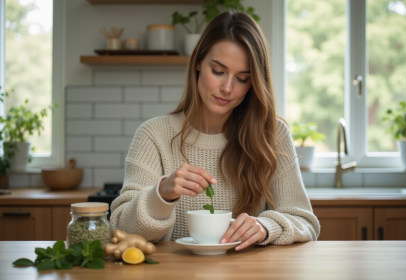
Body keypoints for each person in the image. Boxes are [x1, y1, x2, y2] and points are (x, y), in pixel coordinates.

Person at [110, 11, 320, 251]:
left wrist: (265, 227)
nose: (227, 88)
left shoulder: (272, 134)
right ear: (198, 61)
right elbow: (120, 229)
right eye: (218, 71)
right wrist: (162, 193)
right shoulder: (153, 135)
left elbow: (306, 223)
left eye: (242, 78)